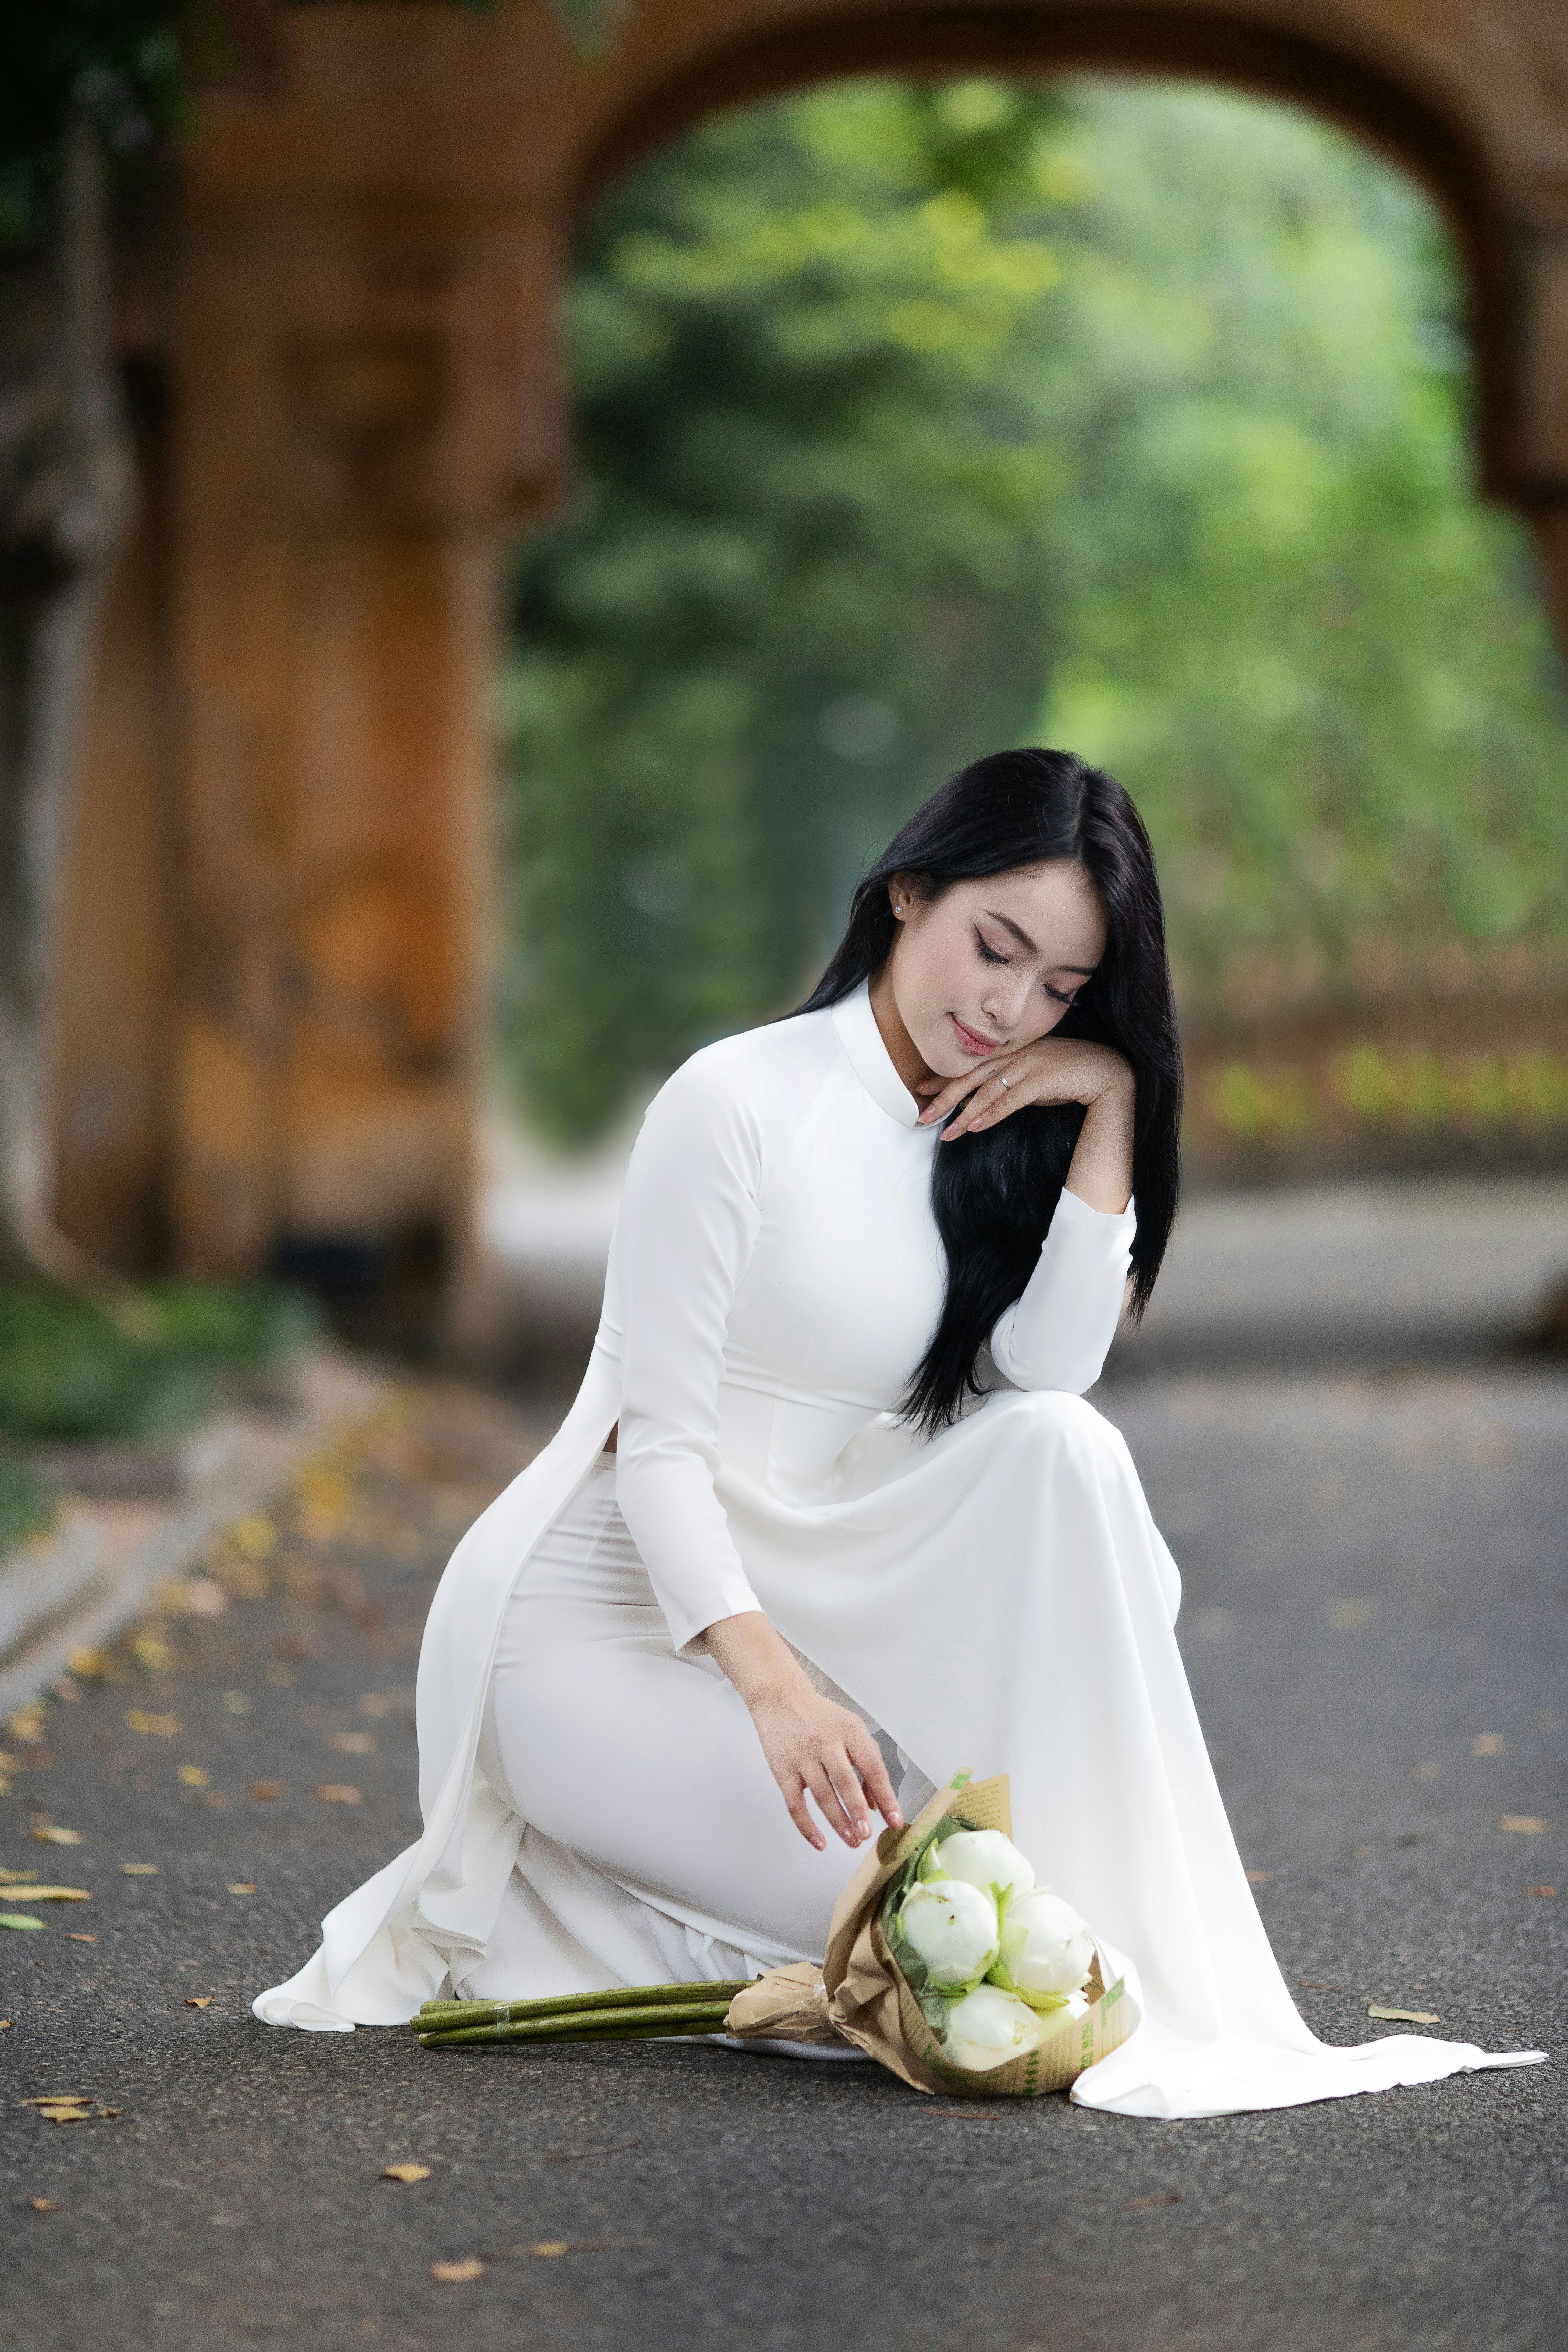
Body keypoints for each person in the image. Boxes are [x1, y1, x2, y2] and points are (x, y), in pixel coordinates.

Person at [255, 748, 1541, 2117]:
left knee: (1061, 1501)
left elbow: (1049, 1378)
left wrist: (1110, 1101)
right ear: (907, 895)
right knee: (963, 1943)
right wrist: (778, 1694)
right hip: (594, 1635)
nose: (1008, 1006)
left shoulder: (980, 1128)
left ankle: (614, 1899)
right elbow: (661, 1450)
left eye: (1060, 987)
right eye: (996, 947)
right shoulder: (736, 1102)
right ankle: (549, 1894)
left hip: (813, 1615)